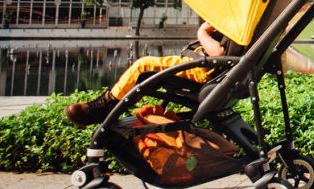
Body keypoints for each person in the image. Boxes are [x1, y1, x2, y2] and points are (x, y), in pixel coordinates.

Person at [64, 20, 231, 127]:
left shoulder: (239, 27)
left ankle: (106, 104)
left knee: (143, 66)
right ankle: (111, 103)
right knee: (145, 69)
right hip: (200, 66)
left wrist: (202, 33)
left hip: (202, 71)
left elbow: (218, 54)